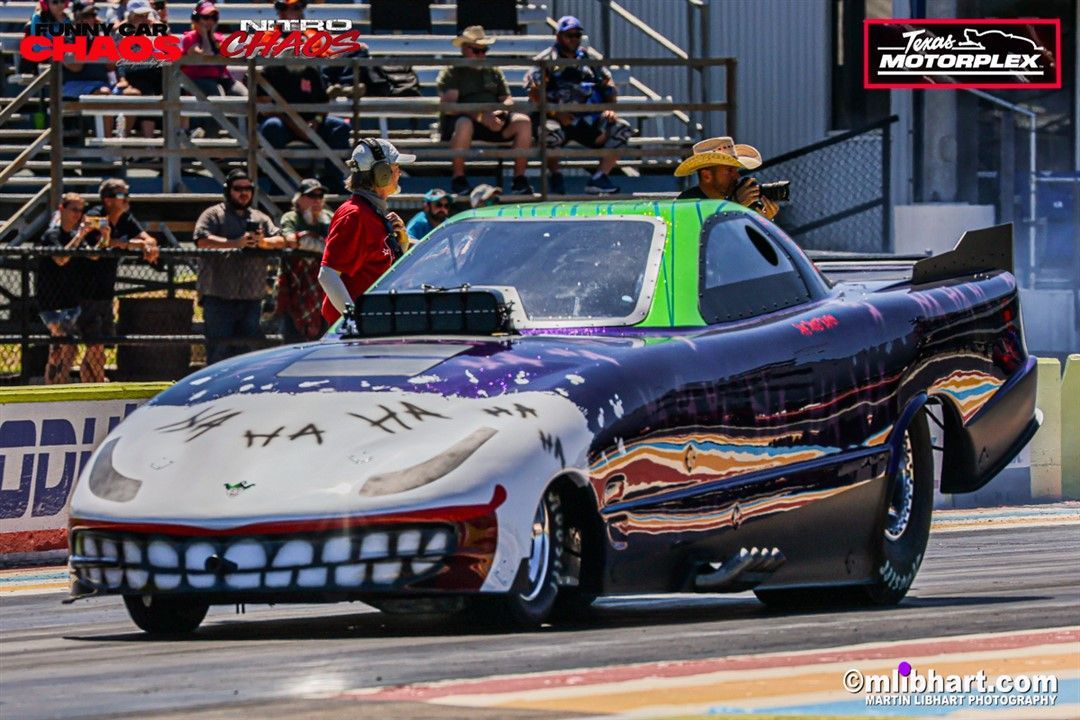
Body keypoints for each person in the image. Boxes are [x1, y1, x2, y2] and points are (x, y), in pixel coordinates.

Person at [525, 16, 632, 195]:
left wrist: (609, 108)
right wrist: (556, 112)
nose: (574, 39)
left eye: (577, 35)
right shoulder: (546, 59)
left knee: (622, 128)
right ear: (559, 36)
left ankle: (599, 178)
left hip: (588, 120)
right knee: (548, 133)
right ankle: (555, 175)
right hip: (557, 120)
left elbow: (609, 86)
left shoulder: (589, 59)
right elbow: (533, 91)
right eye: (570, 35)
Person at [192, 168, 284, 364]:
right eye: (238, 189)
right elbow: (201, 240)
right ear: (228, 191)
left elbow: (281, 238)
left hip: (251, 298)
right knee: (218, 351)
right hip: (219, 296)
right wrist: (236, 243)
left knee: (248, 354)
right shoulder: (213, 214)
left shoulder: (260, 217)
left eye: (248, 188)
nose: (244, 193)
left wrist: (263, 242)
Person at [319, 139, 415, 324]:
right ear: (382, 174)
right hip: (352, 334)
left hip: (373, 325)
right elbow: (327, 275)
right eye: (395, 167)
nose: (399, 173)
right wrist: (354, 321)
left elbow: (378, 269)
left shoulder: (372, 211)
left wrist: (401, 243)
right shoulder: (355, 215)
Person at [74, 179, 160, 382]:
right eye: (121, 195)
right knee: (95, 347)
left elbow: (148, 238)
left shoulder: (125, 218)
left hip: (105, 291)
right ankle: (100, 383)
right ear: (108, 199)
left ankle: (90, 387)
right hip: (85, 292)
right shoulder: (95, 216)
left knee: (98, 346)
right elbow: (99, 244)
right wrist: (130, 244)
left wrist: (148, 245)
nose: (126, 199)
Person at [436, 26, 533, 197]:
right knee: (464, 123)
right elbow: (451, 107)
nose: (481, 55)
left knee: (523, 122)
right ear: (464, 49)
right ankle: (458, 178)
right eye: (476, 50)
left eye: (484, 50)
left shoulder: (493, 71)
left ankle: (519, 179)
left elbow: (507, 98)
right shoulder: (453, 72)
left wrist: (500, 114)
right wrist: (480, 116)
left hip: (492, 120)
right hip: (464, 123)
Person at [257, 19, 351, 194]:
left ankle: (334, 181)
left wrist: (315, 121)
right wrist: (295, 125)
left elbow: (323, 102)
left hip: (311, 123)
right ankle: (279, 184)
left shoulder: (311, 70)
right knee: (271, 127)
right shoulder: (271, 69)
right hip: (283, 123)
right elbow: (265, 105)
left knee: (340, 127)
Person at [36, 194, 89, 384]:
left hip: (71, 301)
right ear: (62, 209)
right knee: (61, 344)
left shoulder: (75, 236)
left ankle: (60, 381)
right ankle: (52, 384)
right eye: (74, 209)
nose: (78, 214)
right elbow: (61, 259)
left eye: (80, 210)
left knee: (67, 346)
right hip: (51, 302)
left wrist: (104, 235)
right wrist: (80, 235)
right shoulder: (52, 235)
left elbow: (94, 256)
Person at [276, 178, 332, 344]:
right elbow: (290, 240)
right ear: (299, 199)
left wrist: (307, 241)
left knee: (323, 338)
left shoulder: (327, 217)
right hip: (297, 284)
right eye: (311, 196)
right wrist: (320, 244)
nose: (316, 200)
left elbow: (338, 245)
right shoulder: (292, 217)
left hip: (322, 285)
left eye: (320, 195)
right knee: (293, 339)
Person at [673, 136, 779, 219]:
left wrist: (765, 220)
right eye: (730, 170)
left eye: (736, 170)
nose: (737, 176)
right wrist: (736, 206)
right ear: (707, 176)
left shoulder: (736, 201)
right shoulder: (687, 203)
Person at [113, 0, 162, 138]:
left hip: (155, 74)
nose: (143, 19)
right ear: (131, 17)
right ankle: (148, 143)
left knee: (176, 89)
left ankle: (181, 135)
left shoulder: (154, 31)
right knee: (147, 91)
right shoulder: (121, 34)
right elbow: (118, 62)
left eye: (145, 15)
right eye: (139, 16)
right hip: (133, 75)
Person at [180, 2, 247, 99]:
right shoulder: (189, 37)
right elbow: (205, 56)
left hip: (220, 77)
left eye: (214, 18)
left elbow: (227, 55)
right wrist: (205, 36)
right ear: (197, 19)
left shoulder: (218, 38)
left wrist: (212, 37)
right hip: (197, 78)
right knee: (216, 95)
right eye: (206, 17)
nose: (210, 21)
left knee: (245, 96)